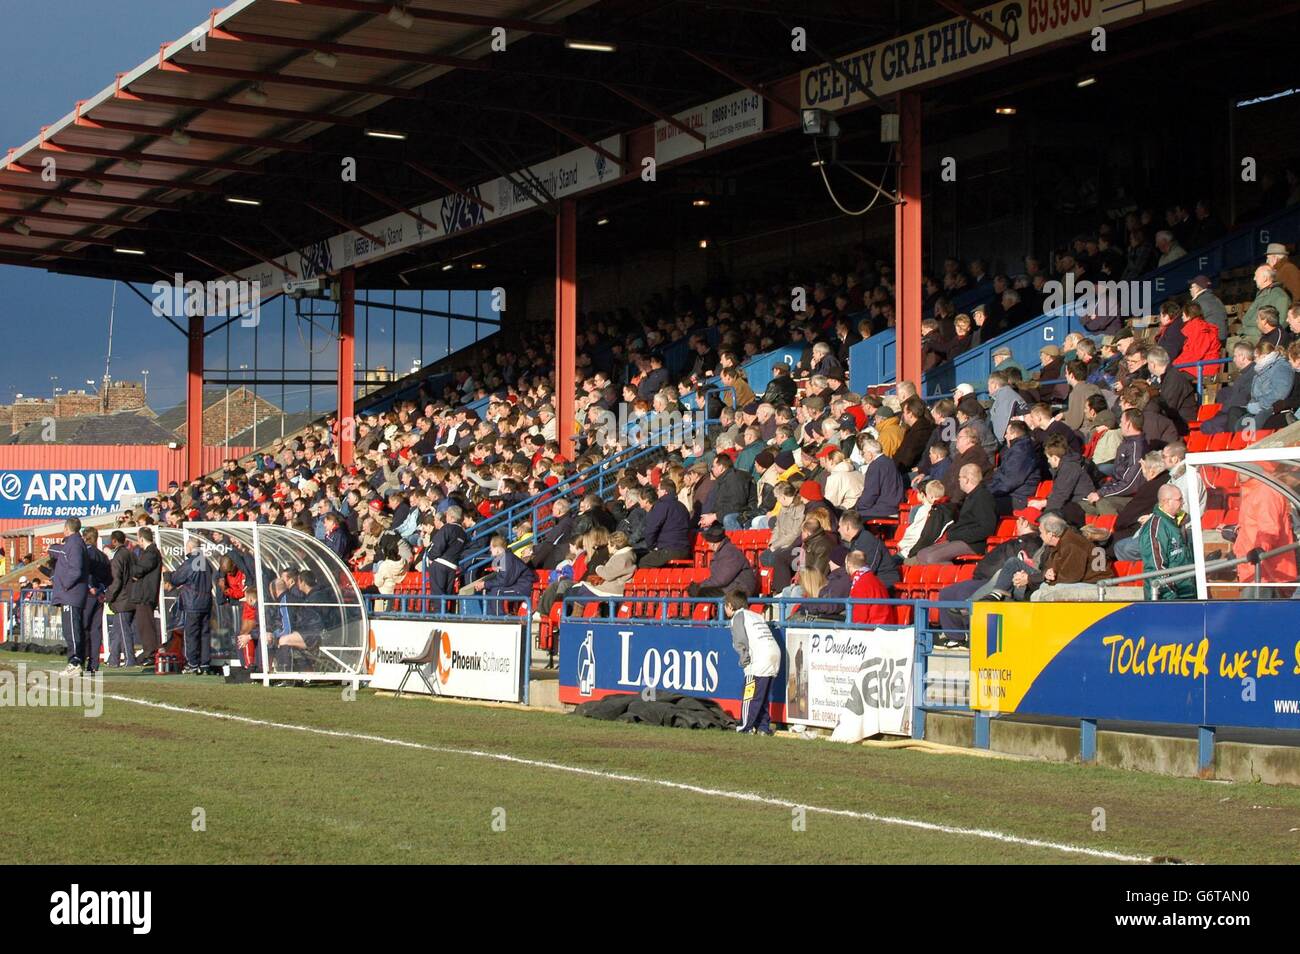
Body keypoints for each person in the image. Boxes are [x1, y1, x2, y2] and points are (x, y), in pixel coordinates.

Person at [907, 464, 996, 564]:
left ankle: (956, 576)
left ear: (966, 479)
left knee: (930, 558)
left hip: (973, 543)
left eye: (960, 477)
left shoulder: (983, 497)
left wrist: (957, 535)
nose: (959, 480)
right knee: (922, 554)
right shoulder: (971, 496)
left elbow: (986, 528)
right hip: (960, 538)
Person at [725, 591, 780, 735]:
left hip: (759, 659)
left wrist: (744, 659)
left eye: (725, 606)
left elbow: (740, 640)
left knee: (750, 695)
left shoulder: (738, 617)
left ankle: (745, 727)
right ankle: (763, 727)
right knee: (761, 695)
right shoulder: (756, 615)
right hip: (774, 654)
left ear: (730, 606)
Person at [1137, 484, 1195, 600]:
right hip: (1170, 597)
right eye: (1179, 499)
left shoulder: (1177, 523)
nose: (1183, 502)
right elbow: (1155, 567)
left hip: (1188, 591)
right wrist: (1171, 595)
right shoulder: (1155, 527)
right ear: (1167, 501)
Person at [166, 538, 215, 674]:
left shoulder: (191, 563)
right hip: (206, 602)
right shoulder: (206, 562)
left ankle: (192, 664)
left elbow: (176, 579)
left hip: (192, 603)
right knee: (204, 634)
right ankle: (204, 664)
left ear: (189, 548)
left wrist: (167, 574)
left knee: (191, 634)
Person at [49, 517, 89, 676]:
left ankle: (75, 662)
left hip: (71, 594)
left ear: (67, 528)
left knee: (71, 630)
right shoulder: (73, 544)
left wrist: (65, 585)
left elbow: (76, 570)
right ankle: (76, 662)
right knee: (73, 629)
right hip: (71, 594)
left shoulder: (74, 544)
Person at [689, 525, 757, 599]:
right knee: (699, 591)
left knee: (700, 592)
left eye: (708, 543)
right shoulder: (724, 551)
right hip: (731, 588)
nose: (708, 546)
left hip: (739, 592)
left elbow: (722, 579)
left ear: (713, 543)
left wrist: (700, 585)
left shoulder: (730, 553)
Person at [129, 527, 162, 671]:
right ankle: (148, 651)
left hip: (145, 594)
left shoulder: (151, 553)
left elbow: (140, 570)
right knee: (143, 626)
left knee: (146, 625)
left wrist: (132, 570)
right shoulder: (149, 552)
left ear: (141, 538)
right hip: (144, 594)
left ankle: (150, 653)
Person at [103, 530, 137, 667]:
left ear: (114, 541)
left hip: (122, 599)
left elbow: (116, 580)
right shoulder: (131, 554)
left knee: (124, 631)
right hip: (131, 596)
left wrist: (108, 596)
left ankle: (130, 660)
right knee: (118, 630)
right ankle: (113, 660)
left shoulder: (118, 557)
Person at [640, 479, 692, 567]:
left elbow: (650, 530)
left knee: (643, 562)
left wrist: (652, 547)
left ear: (664, 492)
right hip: (685, 550)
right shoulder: (682, 506)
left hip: (670, 550)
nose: (657, 492)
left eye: (658, 490)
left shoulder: (661, 506)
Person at [80, 528, 111, 674]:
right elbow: (109, 577)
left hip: (87, 595)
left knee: (84, 628)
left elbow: (85, 571)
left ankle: (81, 661)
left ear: (85, 538)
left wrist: (91, 587)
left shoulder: (86, 553)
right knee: (96, 630)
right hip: (99, 596)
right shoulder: (103, 556)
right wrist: (102, 590)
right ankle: (94, 665)